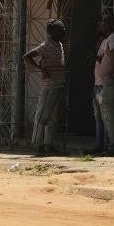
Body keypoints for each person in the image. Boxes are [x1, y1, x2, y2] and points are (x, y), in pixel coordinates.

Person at [23, 19, 67, 157]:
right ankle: (39, 145)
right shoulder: (46, 46)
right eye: (61, 29)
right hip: (49, 86)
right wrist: (41, 68)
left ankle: (49, 145)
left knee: (53, 117)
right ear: (53, 32)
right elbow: (27, 57)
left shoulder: (59, 45)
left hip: (59, 85)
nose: (64, 31)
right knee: (43, 116)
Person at [93, 12, 114, 156]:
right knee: (112, 116)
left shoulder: (113, 38)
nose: (102, 24)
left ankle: (113, 148)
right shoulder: (112, 38)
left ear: (112, 24)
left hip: (109, 83)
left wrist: (113, 71)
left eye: (105, 22)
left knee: (109, 116)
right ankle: (113, 146)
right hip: (105, 82)